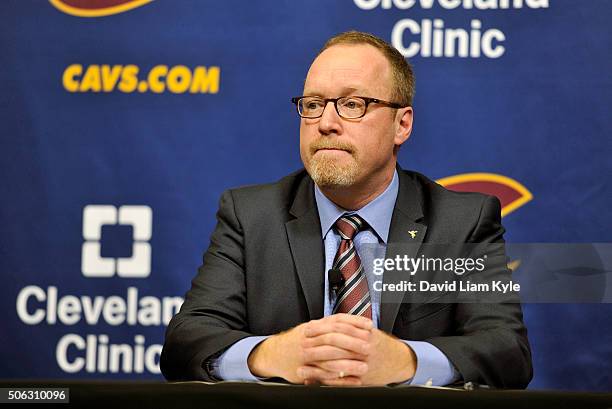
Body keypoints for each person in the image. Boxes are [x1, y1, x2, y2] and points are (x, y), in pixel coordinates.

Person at [160, 31, 532, 388]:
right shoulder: (250, 216)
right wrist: (269, 354)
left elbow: (508, 352)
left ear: (401, 124)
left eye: (353, 104)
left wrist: (405, 361)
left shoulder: (462, 223)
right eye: (313, 105)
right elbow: (185, 343)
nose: (325, 123)